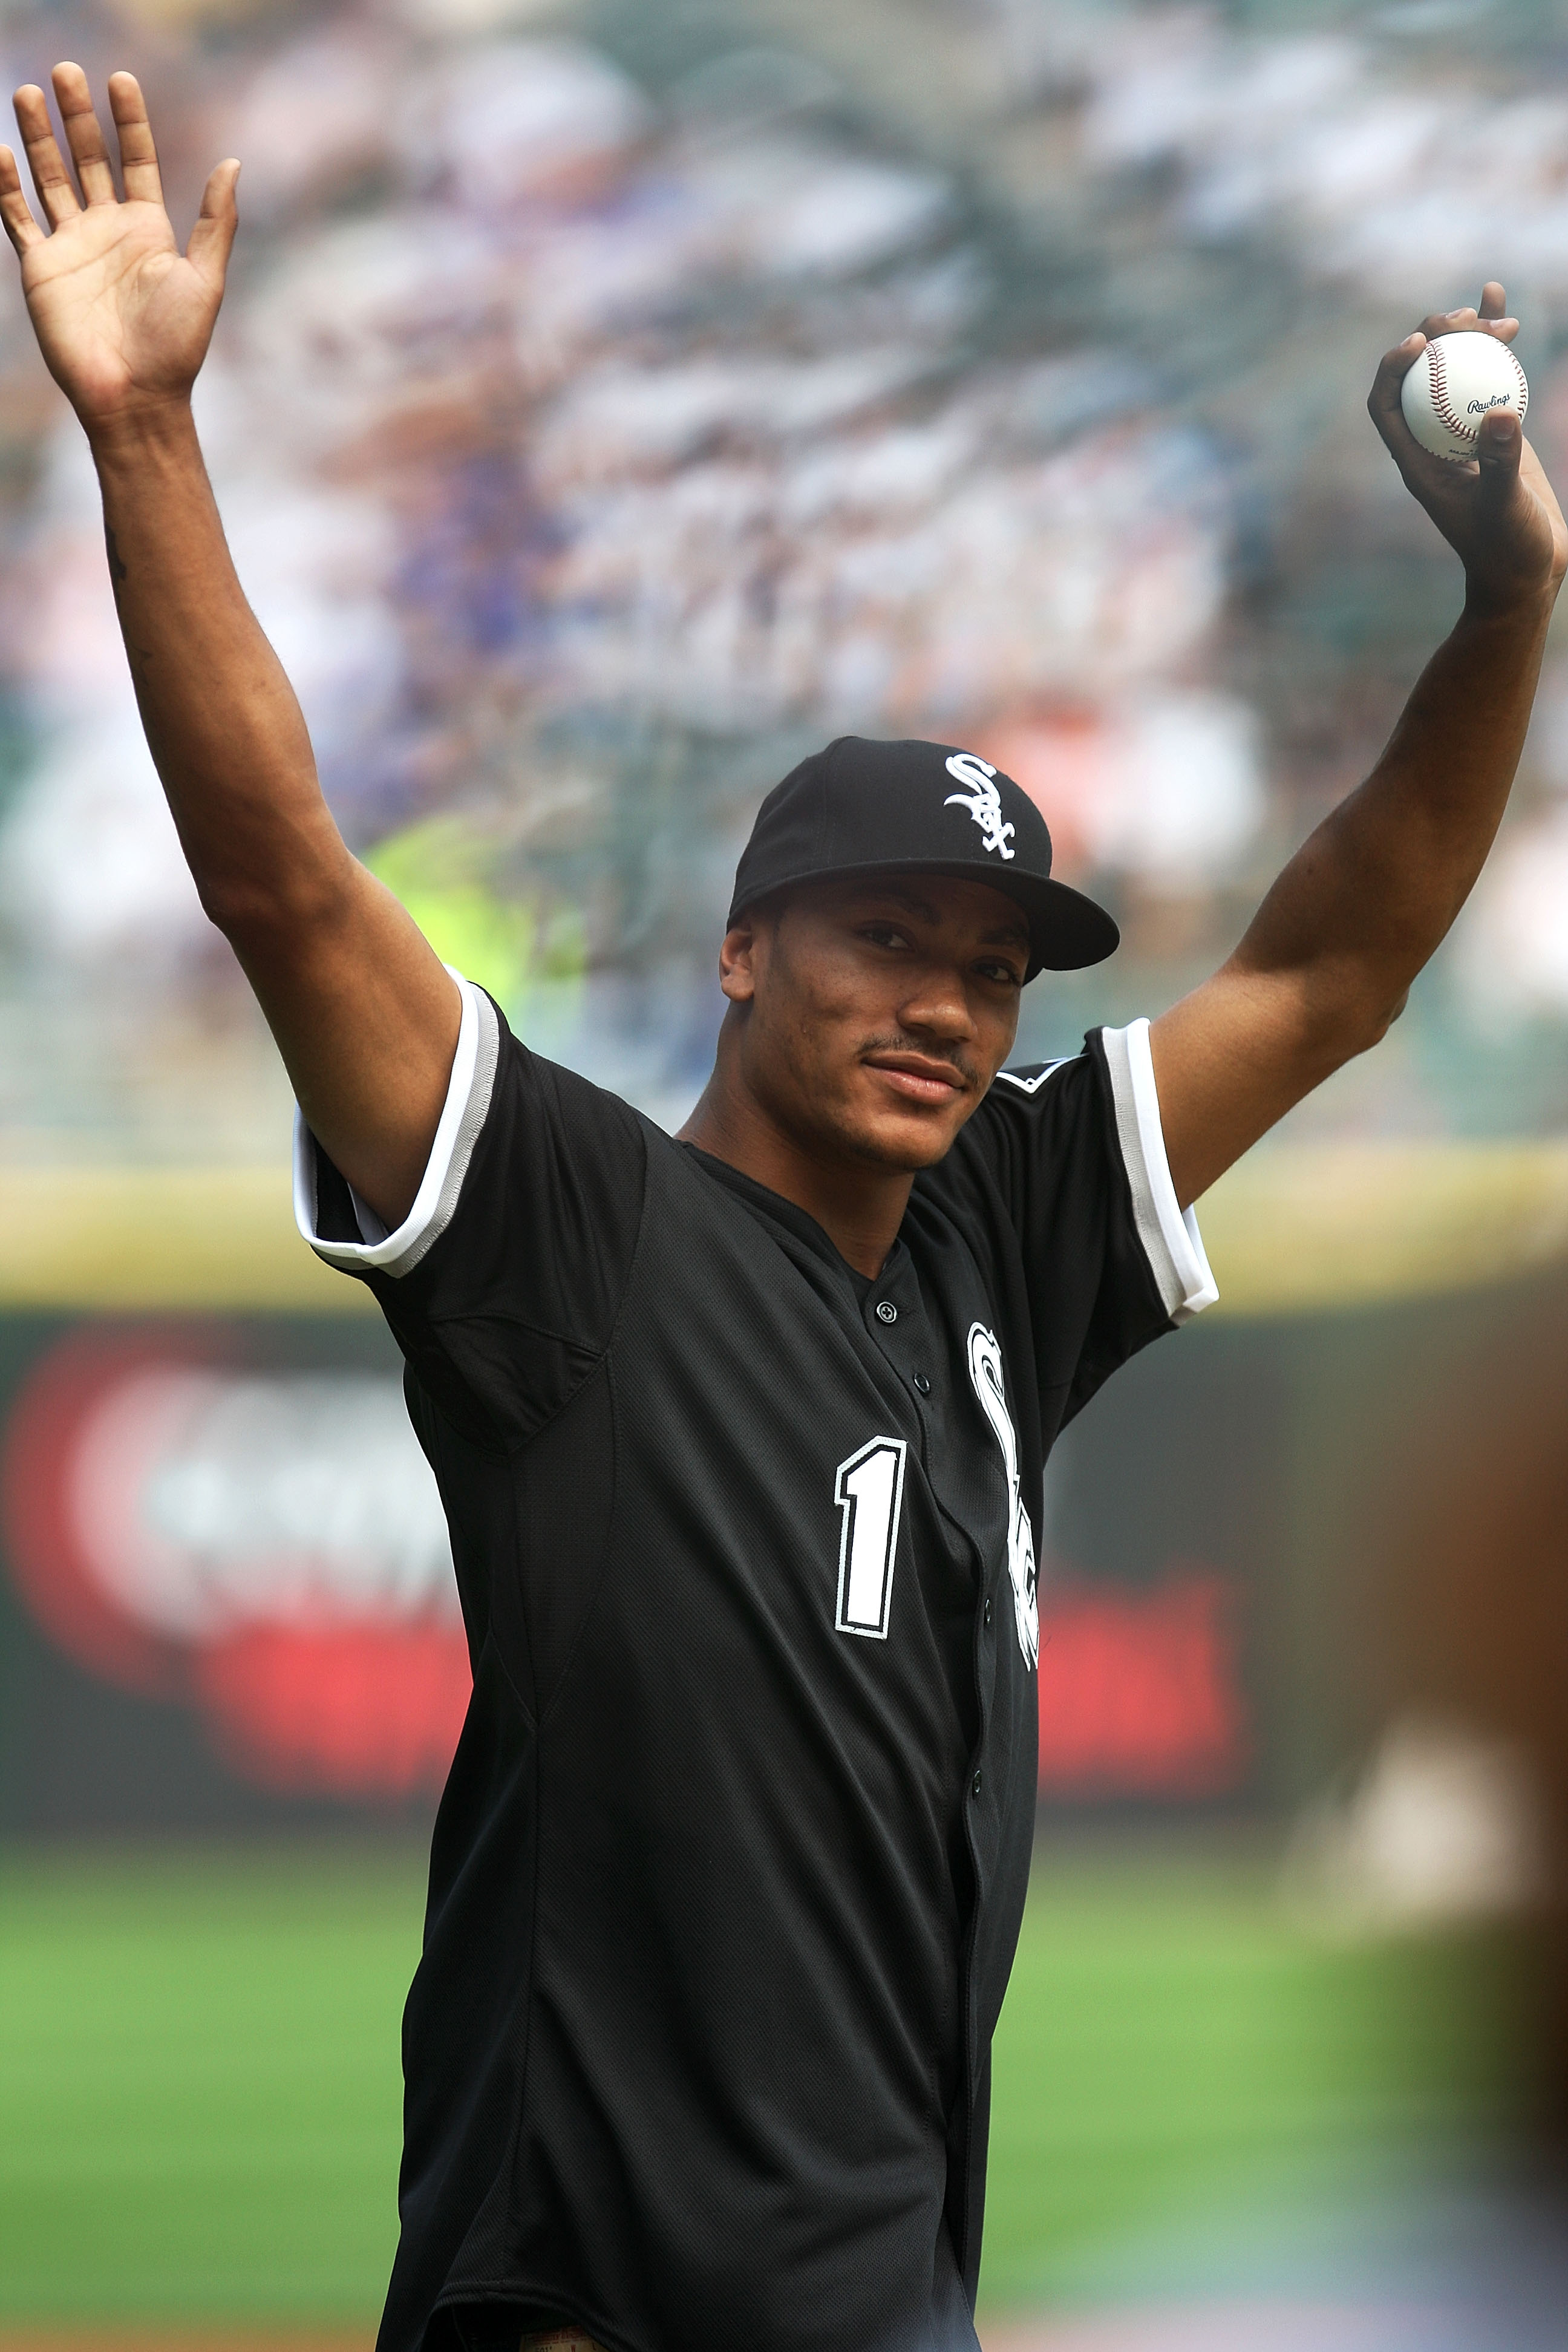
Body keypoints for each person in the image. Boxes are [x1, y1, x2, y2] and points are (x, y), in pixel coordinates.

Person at [3, 59, 1563, 2352]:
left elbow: (1337, 963)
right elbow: (282, 883)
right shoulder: (569, 1229)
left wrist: (1508, 594)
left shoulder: (1012, 1228)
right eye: (890, 939)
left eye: (998, 966)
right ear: (743, 949)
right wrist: (144, 430)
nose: (953, 1002)